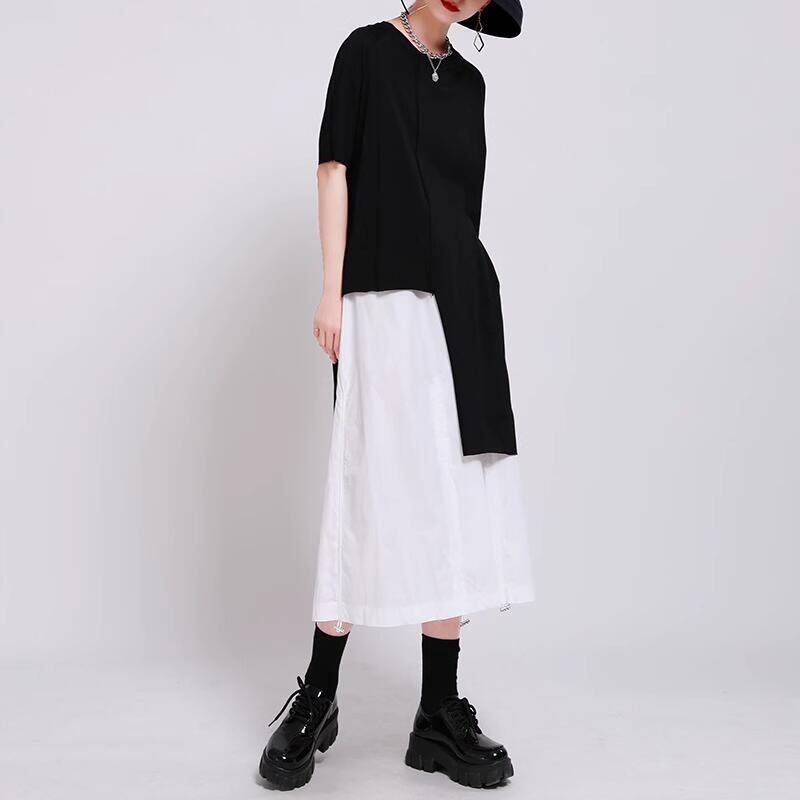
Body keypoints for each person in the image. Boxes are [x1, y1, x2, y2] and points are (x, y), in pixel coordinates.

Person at [258, 0, 534, 790]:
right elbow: (334, 167)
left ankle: (438, 710)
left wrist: (468, 302)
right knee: (367, 483)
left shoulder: (471, 86)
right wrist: (332, 290)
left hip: (461, 306)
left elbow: (460, 207)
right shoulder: (366, 53)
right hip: (380, 299)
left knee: (454, 493)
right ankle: (319, 693)